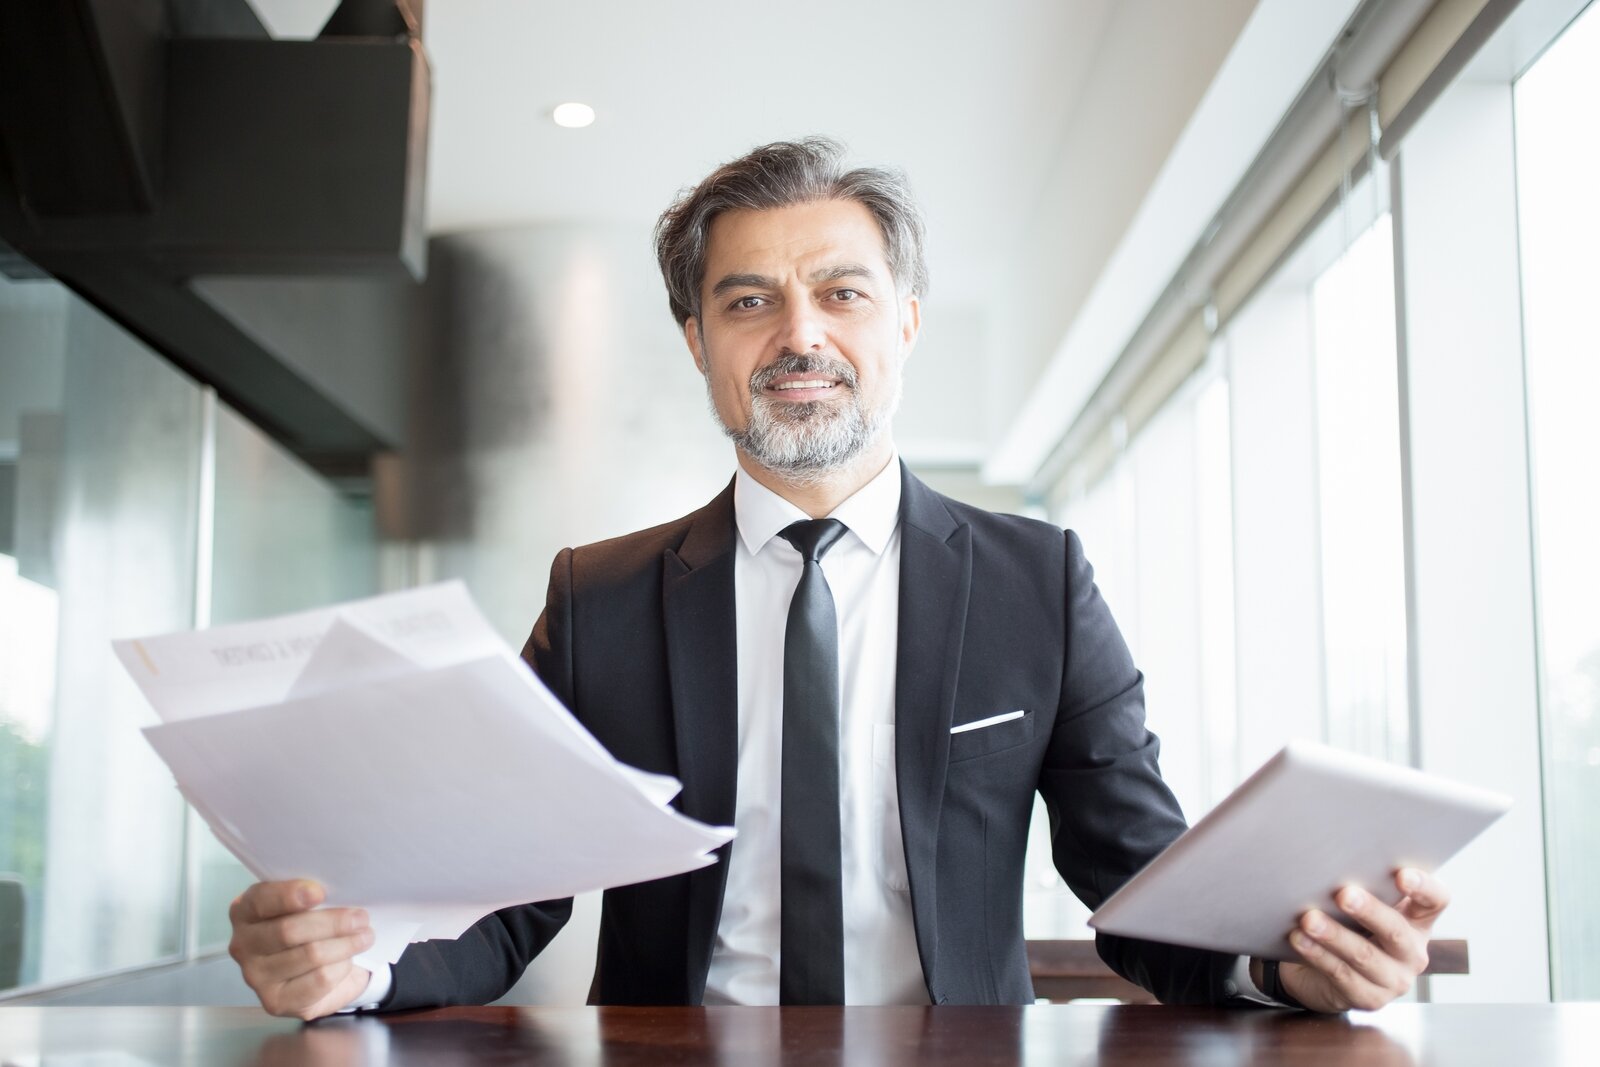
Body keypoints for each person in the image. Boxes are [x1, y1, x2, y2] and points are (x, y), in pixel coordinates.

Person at [227, 138, 1450, 1020]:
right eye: (748, 300)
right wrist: (355, 966)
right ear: (698, 342)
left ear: (904, 324)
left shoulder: (1040, 580)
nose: (798, 334)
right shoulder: (599, 599)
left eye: (842, 292)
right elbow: (501, 897)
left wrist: (1282, 965)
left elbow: (1132, 879)